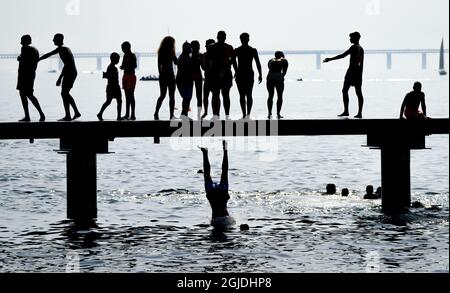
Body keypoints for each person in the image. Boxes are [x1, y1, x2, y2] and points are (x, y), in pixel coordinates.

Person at [39, 33, 81, 121]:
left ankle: (68, 116)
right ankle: (75, 112)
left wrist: (60, 78)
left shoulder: (63, 49)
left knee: (64, 93)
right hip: (71, 72)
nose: (53, 40)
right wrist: (38, 59)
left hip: (70, 72)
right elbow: (49, 54)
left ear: (59, 39)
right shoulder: (61, 49)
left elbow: (67, 65)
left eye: (54, 39)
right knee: (65, 93)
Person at [324, 32, 365, 119]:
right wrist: (360, 75)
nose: (350, 39)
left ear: (355, 38)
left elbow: (342, 55)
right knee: (358, 93)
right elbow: (361, 64)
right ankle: (359, 112)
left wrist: (330, 59)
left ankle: (346, 111)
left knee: (345, 90)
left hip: (351, 72)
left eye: (351, 38)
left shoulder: (354, 47)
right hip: (358, 73)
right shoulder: (361, 49)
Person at [199, 140, 236, 229]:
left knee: (223, 172)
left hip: (220, 196)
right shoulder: (222, 223)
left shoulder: (222, 223)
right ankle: (205, 153)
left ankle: (223, 151)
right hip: (214, 196)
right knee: (208, 174)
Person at [16, 35, 45, 122]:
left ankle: (27, 116)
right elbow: (32, 62)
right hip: (31, 74)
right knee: (30, 94)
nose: (21, 43)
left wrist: (19, 59)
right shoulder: (35, 50)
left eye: (22, 41)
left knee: (23, 95)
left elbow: (24, 61)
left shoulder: (24, 48)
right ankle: (41, 114)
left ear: (25, 41)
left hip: (24, 75)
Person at [208, 31, 237, 120]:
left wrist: (236, 71)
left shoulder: (228, 47)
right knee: (217, 95)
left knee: (224, 95)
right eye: (221, 37)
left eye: (223, 37)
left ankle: (225, 115)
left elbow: (233, 60)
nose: (222, 38)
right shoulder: (212, 47)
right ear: (218, 37)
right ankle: (216, 115)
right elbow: (208, 60)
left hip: (224, 73)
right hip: (216, 74)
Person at [234, 33, 263, 119]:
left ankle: (245, 114)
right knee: (248, 95)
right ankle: (247, 114)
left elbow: (232, 61)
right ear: (248, 39)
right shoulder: (252, 50)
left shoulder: (239, 50)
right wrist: (260, 74)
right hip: (247, 74)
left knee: (243, 95)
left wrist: (236, 70)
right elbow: (258, 63)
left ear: (241, 39)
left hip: (243, 74)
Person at [154, 36, 178, 120]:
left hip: (163, 75)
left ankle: (156, 112)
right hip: (170, 75)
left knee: (162, 95)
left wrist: (161, 73)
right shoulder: (171, 51)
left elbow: (159, 65)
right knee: (171, 96)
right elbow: (176, 62)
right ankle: (171, 115)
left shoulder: (161, 51)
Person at [97, 53, 122, 121]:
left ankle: (100, 113)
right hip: (113, 87)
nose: (118, 61)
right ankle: (118, 116)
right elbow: (110, 76)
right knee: (115, 101)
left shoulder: (112, 67)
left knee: (112, 101)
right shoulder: (111, 67)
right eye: (117, 59)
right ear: (113, 59)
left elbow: (108, 76)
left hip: (112, 86)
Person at [266, 51, 288, 119]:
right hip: (278, 76)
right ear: (282, 55)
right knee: (280, 96)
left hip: (270, 77)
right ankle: (278, 113)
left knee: (270, 95)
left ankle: (269, 113)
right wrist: (281, 77)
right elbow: (284, 71)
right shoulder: (284, 60)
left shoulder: (270, 60)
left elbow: (269, 68)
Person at [176, 42, 194, 118]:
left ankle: (184, 114)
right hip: (184, 80)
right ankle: (184, 114)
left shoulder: (184, 57)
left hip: (185, 80)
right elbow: (186, 69)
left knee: (187, 98)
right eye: (190, 48)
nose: (191, 49)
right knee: (187, 97)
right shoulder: (184, 58)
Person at [120, 42, 137, 120]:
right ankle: (127, 114)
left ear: (128, 48)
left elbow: (135, 66)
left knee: (131, 95)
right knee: (127, 96)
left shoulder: (132, 56)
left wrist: (127, 65)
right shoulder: (125, 56)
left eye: (123, 48)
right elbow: (123, 65)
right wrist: (122, 66)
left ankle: (133, 114)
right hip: (125, 76)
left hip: (131, 76)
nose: (122, 50)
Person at [201, 39, 216, 119]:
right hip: (208, 78)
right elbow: (203, 67)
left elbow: (203, 67)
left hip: (212, 78)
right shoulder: (205, 55)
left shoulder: (215, 55)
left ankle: (214, 113)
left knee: (215, 96)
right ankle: (207, 112)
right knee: (207, 96)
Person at [191, 40, 204, 120]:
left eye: (197, 46)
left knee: (199, 96)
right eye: (195, 46)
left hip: (197, 75)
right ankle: (198, 115)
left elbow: (203, 67)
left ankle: (199, 114)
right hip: (193, 76)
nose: (197, 48)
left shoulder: (200, 55)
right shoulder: (189, 56)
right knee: (189, 96)